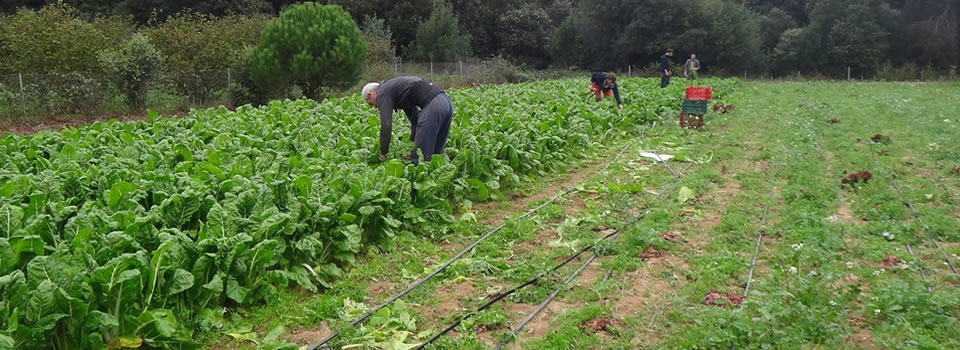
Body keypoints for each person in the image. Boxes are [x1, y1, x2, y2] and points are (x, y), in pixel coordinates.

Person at [362, 76, 453, 165]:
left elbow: (386, 125)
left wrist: (383, 153)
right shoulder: (399, 90)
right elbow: (415, 121)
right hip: (446, 103)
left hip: (435, 105)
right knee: (435, 156)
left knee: (419, 159)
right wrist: (410, 148)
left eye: (371, 104)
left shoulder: (382, 92)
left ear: (371, 94)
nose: (375, 107)